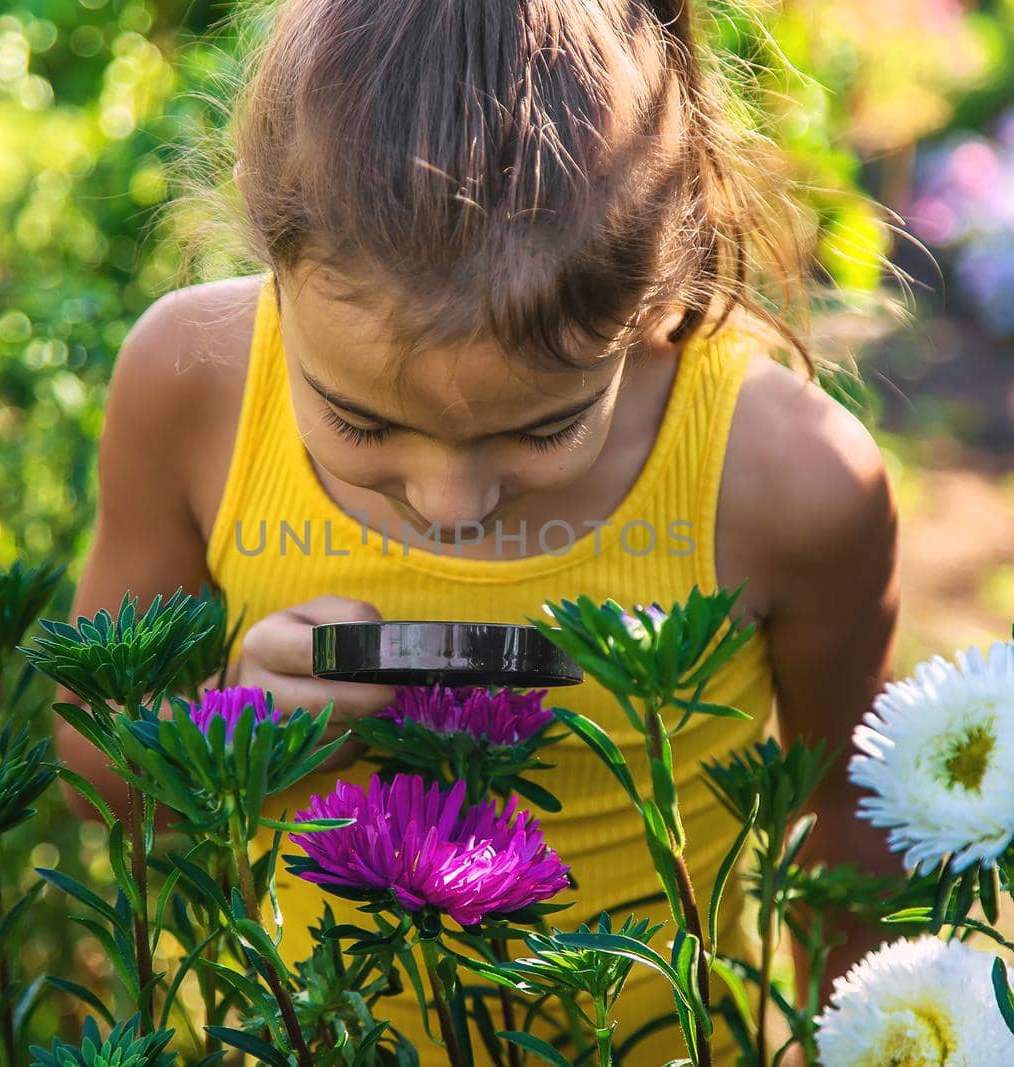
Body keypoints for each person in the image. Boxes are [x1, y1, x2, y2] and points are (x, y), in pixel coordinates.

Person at [61, 0, 899, 1060]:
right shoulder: (193, 386)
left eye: (543, 427)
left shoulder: (785, 477)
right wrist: (227, 729)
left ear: (654, 286)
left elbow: (854, 819)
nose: (450, 503)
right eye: (362, 422)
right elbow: (89, 774)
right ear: (271, 253)